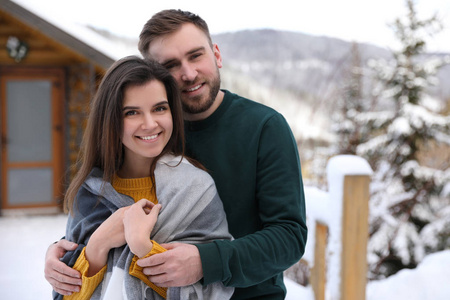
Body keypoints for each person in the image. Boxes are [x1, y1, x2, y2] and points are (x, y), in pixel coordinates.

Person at [45, 9, 307, 299]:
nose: (189, 73)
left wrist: (204, 261)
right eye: (171, 64)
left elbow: (289, 237)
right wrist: (68, 250)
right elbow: (110, 213)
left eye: (196, 55)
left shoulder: (264, 127)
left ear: (216, 54)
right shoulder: (146, 138)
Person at [53, 55, 233, 300]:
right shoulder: (90, 193)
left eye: (159, 108)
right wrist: (97, 247)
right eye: (132, 112)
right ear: (111, 120)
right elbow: (65, 293)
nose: (150, 124)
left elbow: (214, 290)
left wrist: (142, 247)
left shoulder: (196, 189)